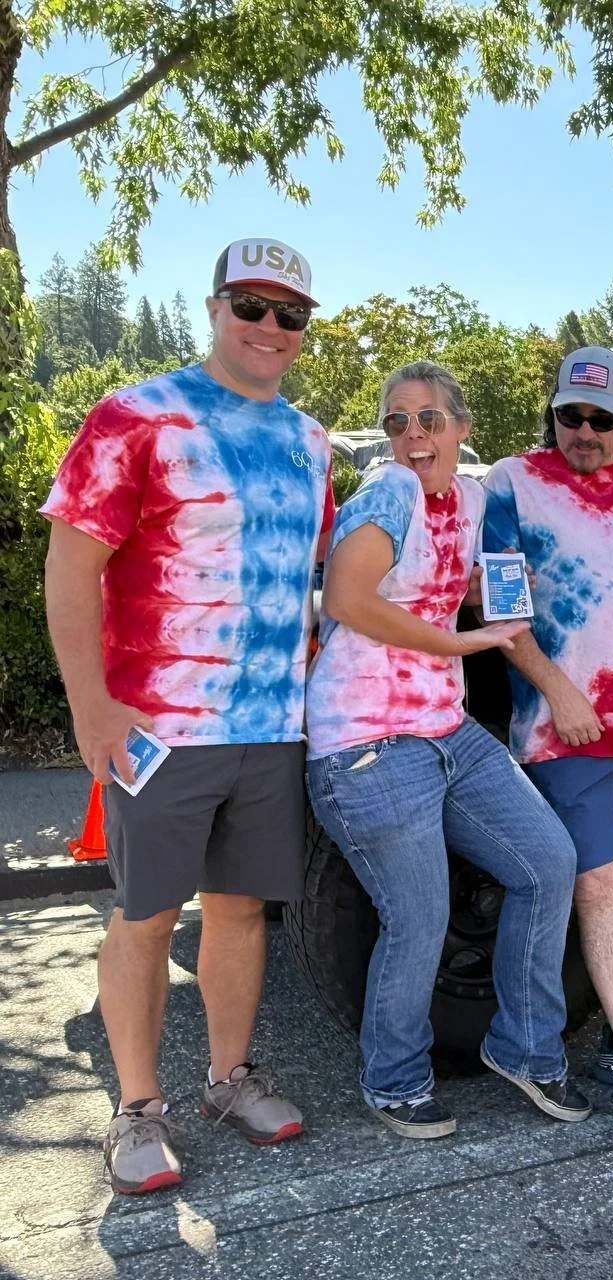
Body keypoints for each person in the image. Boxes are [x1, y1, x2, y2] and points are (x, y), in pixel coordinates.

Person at [42, 238, 332, 1193]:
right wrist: (92, 704)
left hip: (270, 727)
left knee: (241, 913)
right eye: (251, 305)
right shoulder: (137, 416)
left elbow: (311, 582)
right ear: (214, 307)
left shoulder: (310, 440)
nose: (270, 327)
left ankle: (227, 1079)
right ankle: (135, 1111)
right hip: (160, 727)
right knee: (145, 916)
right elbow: (72, 565)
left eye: (290, 314)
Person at [305, 360, 589, 1138]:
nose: (413, 435)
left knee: (545, 863)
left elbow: (479, 581)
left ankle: (526, 1051)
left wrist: (489, 595)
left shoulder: (469, 498)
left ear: (462, 429)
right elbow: (347, 598)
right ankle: (393, 1080)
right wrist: (458, 637)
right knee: (419, 917)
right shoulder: (390, 489)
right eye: (397, 421)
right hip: (366, 739)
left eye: (429, 418)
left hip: (443, 730)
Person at [482, 346, 613, 1145]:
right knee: (595, 884)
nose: (583, 431)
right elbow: (500, 605)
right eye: (569, 415)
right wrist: (558, 691)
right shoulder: (510, 481)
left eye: (600, 418)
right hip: (561, 720)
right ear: (553, 412)